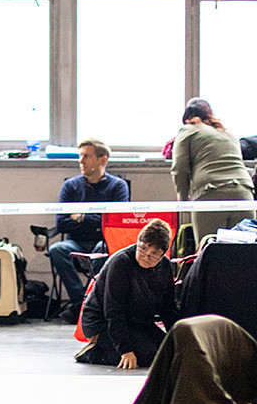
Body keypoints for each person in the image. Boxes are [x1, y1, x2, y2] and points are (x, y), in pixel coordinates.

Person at [77, 218, 178, 370]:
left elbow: (168, 308)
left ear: (163, 253)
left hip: (138, 322)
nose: (146, 256)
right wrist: (125, 350)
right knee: (148, 357)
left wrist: (178, 337)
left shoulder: (165, 267)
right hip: (103, 322)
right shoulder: (120, 263)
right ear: (138, 242)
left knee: (169, 352)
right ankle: (94, 352)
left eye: (153, 254)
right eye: (143, 249)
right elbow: (113, 310)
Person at [49, 138, 130, 324]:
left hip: (103, 241)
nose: (81, 161)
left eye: (87, 156)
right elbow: (61, 223)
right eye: (80, 156)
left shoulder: (118, 186)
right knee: (57, 249)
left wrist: (81, 216)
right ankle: (81, 303)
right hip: (75, 242)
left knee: (102, 250)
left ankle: (89, 301)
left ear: (103, 160)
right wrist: (97, 220)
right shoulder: (70, 186)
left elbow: (115, 223)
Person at [171, 98, 255, 248]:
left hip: (210, 194)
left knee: (207, 252)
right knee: (245, 254)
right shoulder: (227, 133)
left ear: (187, 118)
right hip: (244, 195)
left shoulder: (188, 130)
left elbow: (179, 168)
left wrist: (183, 201)